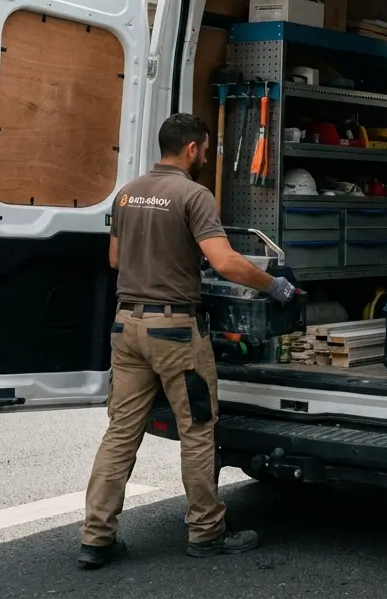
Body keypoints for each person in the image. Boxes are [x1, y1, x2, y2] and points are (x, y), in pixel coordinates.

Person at [79, 113, 298, 569]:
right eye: (204, 148)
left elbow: (116, 257)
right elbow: (226, 263)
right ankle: (206, 531)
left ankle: (96, 537)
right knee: (197, 430)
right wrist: (273, 285)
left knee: (121, 432)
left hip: (128, 327)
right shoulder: (194, 195)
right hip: (176, 332)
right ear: (194, 148)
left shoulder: (128, 193)